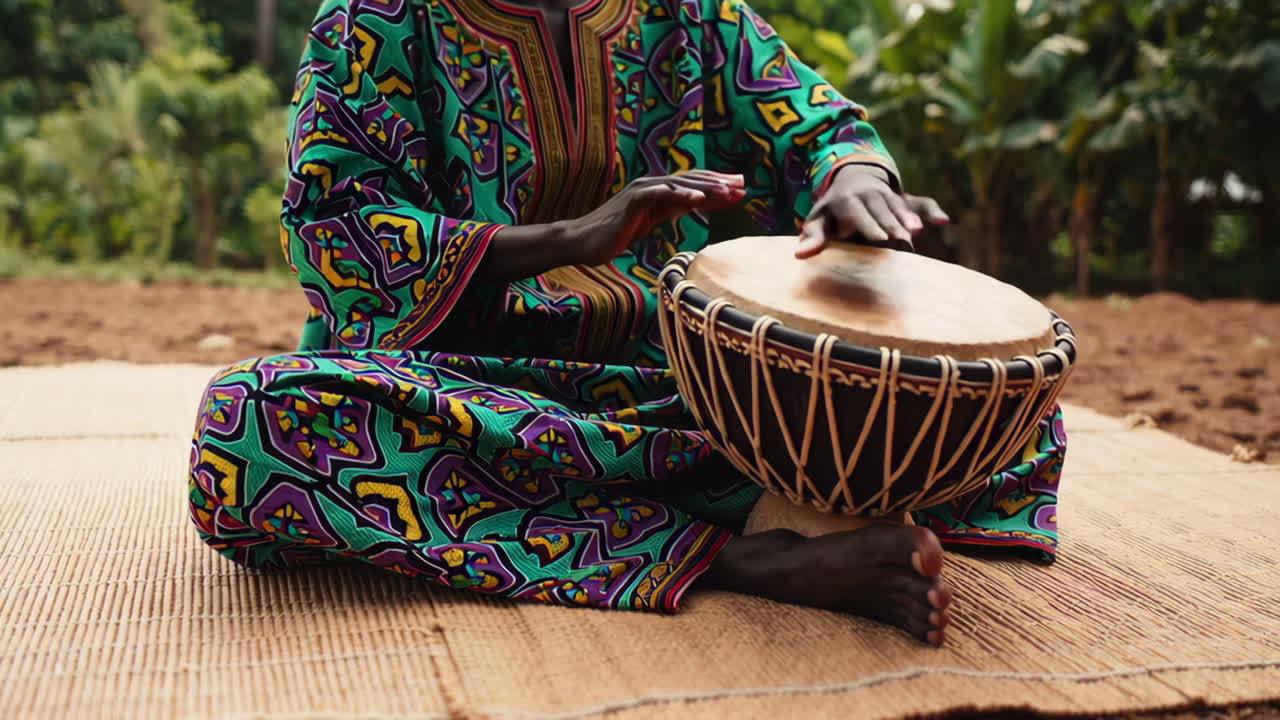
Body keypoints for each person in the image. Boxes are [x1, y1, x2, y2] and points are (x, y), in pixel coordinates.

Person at [188, 0, 1067, 646]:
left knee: (1005, 410)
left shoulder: (691, 15)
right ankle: (754, 555)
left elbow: (816, 122)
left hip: (681, 394)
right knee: (252, 421)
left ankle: (733, 500)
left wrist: (854, 181)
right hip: (463, 397)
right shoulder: (377, 18)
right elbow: (334, 232)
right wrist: (578, 235)